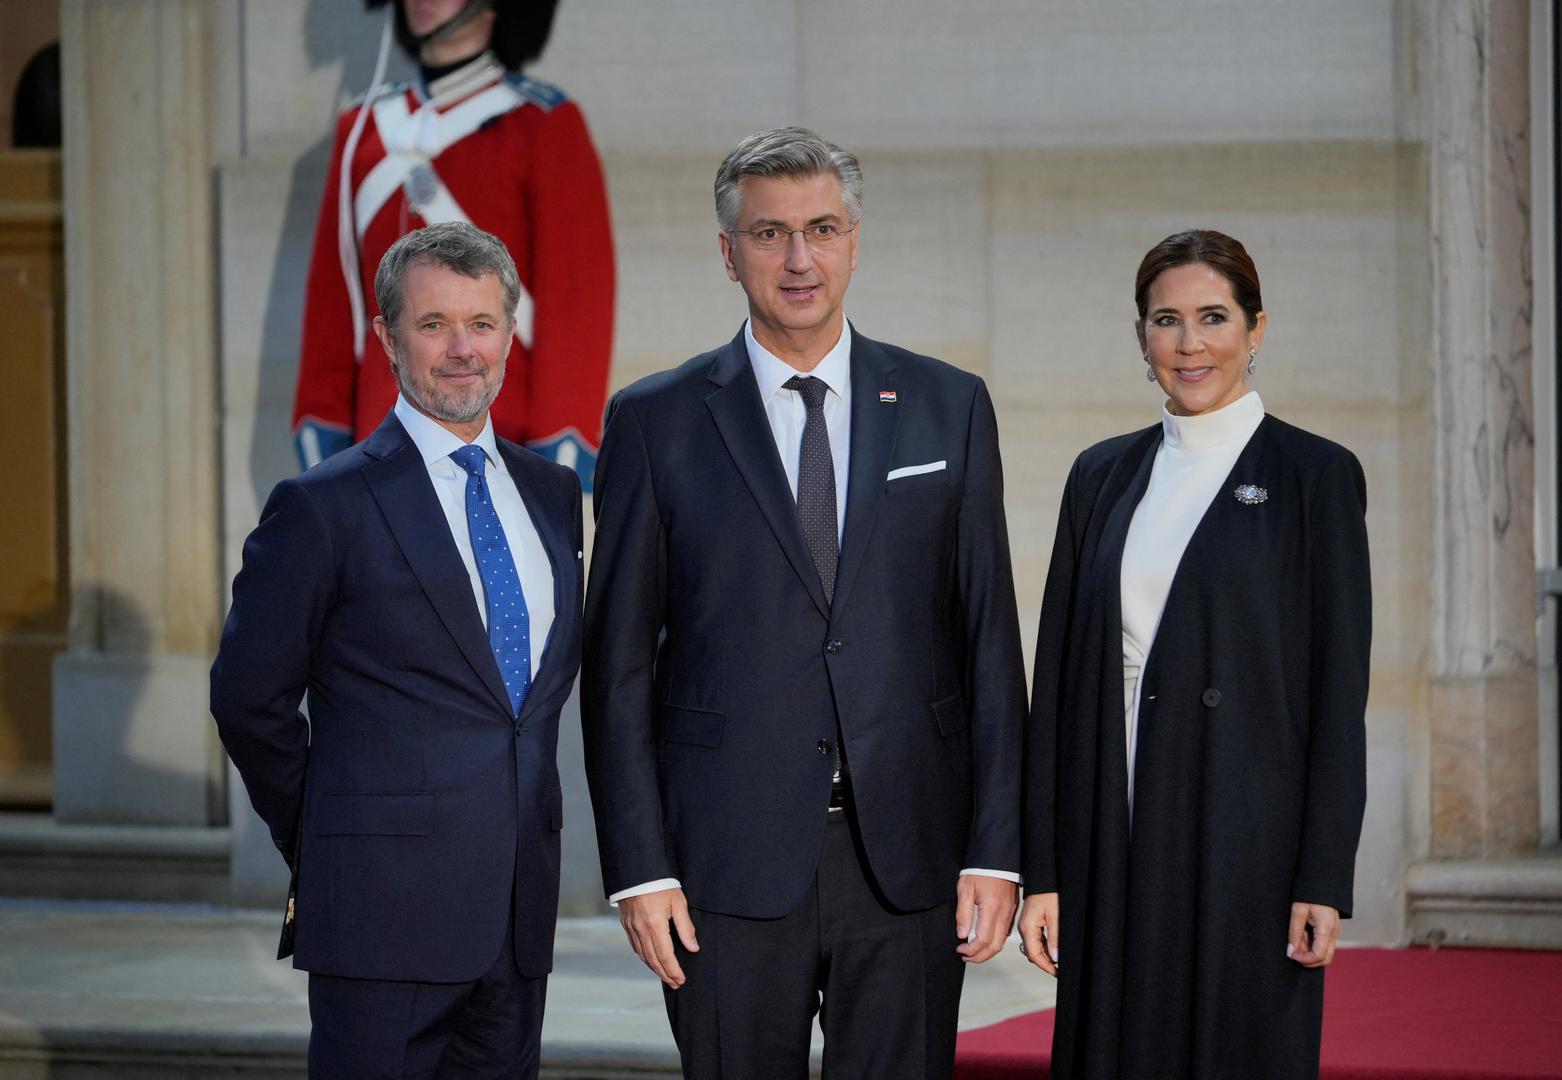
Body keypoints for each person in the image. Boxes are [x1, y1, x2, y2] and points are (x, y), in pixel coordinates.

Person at [582, 126, 1026, 1079]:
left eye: (821, 228)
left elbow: (989, 639)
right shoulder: (653, 421)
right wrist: (639, 867)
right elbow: (615, 663)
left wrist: (998, 850)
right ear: (728, 252)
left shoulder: (952, 406)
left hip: (905, 858)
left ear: (854, 241)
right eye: (768, 232)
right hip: (721, 868)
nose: (797, 258)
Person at [213, 221, 583, 1078]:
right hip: (378, 919)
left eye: (482, 324)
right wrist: (331, 836)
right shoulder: (321, 506)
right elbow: (246, 699)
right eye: (433, 325)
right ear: (386, 338)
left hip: (518, 920)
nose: (463, 350)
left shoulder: (554, 494)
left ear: (509, 332)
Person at [1017, 228, 1371, 1078]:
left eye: (1213, 317)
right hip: (1112, 827)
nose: (1189, 343)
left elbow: (1336, 692)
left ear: (1256, 328)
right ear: (1141, 338)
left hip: (1245, 839)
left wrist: (1323, 873)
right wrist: (1045, 874)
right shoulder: (1099, 476)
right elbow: (1058, 687)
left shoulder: (1314, 477)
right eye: (1165, 320)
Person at [293, 0, 614, 491]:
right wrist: (325, 425)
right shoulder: (363, 129)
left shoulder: (542, 124)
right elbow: (332, 299)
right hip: (380, 441)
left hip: (499, 433)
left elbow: (577, 302)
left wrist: (558, 442)